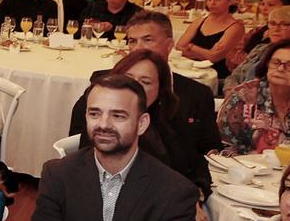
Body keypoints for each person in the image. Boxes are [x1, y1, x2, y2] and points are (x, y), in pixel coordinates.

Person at [29, 73, 198, 221]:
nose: (103, 124)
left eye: (118, 115)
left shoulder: (175, 191)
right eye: (94, 113)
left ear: (142, 123)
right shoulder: (58, 173)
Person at [71, 49, 214, 207]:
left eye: (145, 82)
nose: (134, 87)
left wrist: (196, 197)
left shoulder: (170, 118)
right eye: (127, 78)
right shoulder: (105, 127)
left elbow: (197, 164)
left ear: (160, 89)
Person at [118, 9, 225, 155]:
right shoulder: (107, 89)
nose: (138, 48)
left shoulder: (197, 95)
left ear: (169, 45)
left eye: (148, 40)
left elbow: (210, 152)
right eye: (132, 41)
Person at [218, 40, 290, 155]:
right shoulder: (244, 95)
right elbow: (224, 146)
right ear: (267, 65)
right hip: (246, 168)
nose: (281, 69)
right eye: (276, 63)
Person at [225, 5, 290, 92]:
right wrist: (230, 90)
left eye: (284, 24)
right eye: (272, 23)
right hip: (236, 96)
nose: (276, 29)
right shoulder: (260, 48)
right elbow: (234, 76)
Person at [179, 0, 246, 71]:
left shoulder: (235, 27)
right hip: (191, 69)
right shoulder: (199, 21)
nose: (212, 2)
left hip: (215, 74)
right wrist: (206, 54)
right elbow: (179, 47)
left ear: (230, 1)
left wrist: (191, 47)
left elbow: (214, 57)